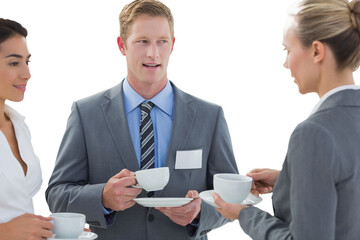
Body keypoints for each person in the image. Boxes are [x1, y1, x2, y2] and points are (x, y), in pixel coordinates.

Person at [45, 0, 238, 239]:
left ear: (173, 45)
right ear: (122, 45)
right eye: (142, 41)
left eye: (162, 42)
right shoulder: (86, 114)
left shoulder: (209, 116)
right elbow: (57, 195)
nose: (153, 53)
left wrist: (200, 212)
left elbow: (231, 197)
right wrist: (102, 198)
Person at [213, 0, 360, 239]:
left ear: (316, 51)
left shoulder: (313, 133)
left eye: (287, 50)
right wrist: (290, 178)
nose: (285, 63)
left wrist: (243, 214)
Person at [0, 18, 53, 240]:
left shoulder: (19, 126)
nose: (27, 74)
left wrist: (49, 229)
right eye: (14, 63)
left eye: (27, 62)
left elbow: (17, 209)